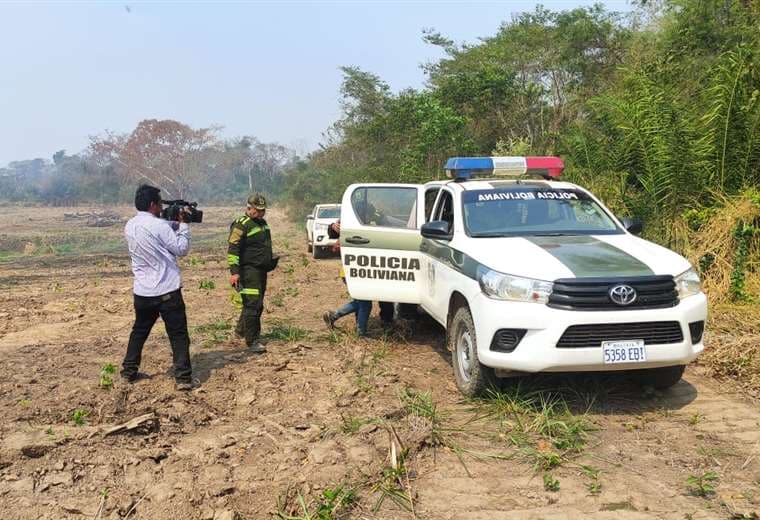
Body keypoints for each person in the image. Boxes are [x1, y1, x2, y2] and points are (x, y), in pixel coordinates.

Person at [121, 184, 194, 391]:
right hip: (167, 291)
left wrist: (172, 223)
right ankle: (183, 379)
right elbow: (181, 249)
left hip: (142, 292)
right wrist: (184, 225)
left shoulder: (130, 225)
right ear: (153, 204)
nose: (162, 206)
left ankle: (128, 372)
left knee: (139, 331)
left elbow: (153, 231)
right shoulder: (160, 226)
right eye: (160, 203)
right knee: (178, 334)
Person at [322, 221, 393, 336]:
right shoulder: (352, 217)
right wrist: (332, 226)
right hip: (353, 271)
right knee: (364, 303)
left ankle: (334, 316)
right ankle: (360, 332)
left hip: (358, 271)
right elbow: (333, 233)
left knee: (361, 302)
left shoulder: (375, 218)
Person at [227, 193, 277, 352]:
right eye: (258, 210)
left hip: (261, 270)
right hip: (248, 271)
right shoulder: (241, 224)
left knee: (256, 304)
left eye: (263, 210)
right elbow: (233, 249)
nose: (262, 213)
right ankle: (253, 340)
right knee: (253, 304)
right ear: (249, 208)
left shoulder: (262, 223)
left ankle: (240, 331)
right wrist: (234, 272)